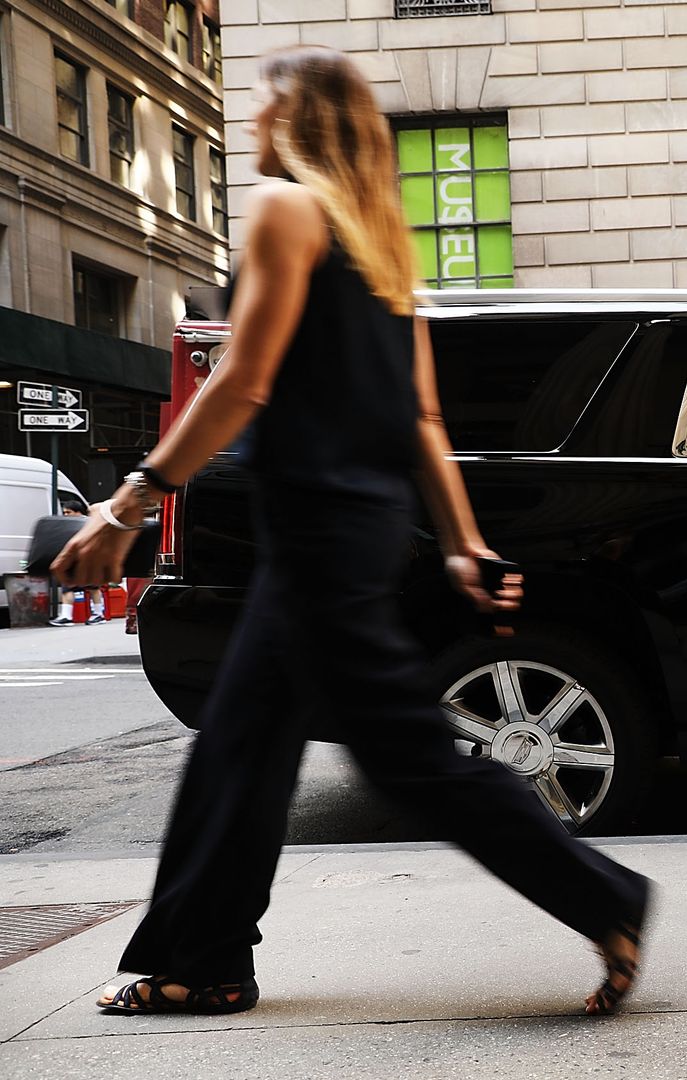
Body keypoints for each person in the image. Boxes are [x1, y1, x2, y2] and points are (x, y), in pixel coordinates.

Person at [53, 45, 650, 1018]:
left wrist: (134, 499)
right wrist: (461, 542)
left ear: (298, 116)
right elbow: (423, 418)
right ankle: (205, 961)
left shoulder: (289, 211)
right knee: (240, 743)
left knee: (401, 752)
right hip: (350, 527)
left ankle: (607, 901)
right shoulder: (382, 246)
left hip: (321, 533)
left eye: (261, 104)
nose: (250, 121)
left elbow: (242, 380)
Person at [48, 501, 108, 626]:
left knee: (93, 587)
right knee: (68, 588)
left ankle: (98, 614)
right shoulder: (70, 524)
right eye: (64, 512)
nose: (65, 515)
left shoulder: (88, 523)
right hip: (73, 560)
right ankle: (67, 616)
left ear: (78, 512)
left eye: (68, 512)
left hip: (88, 559)